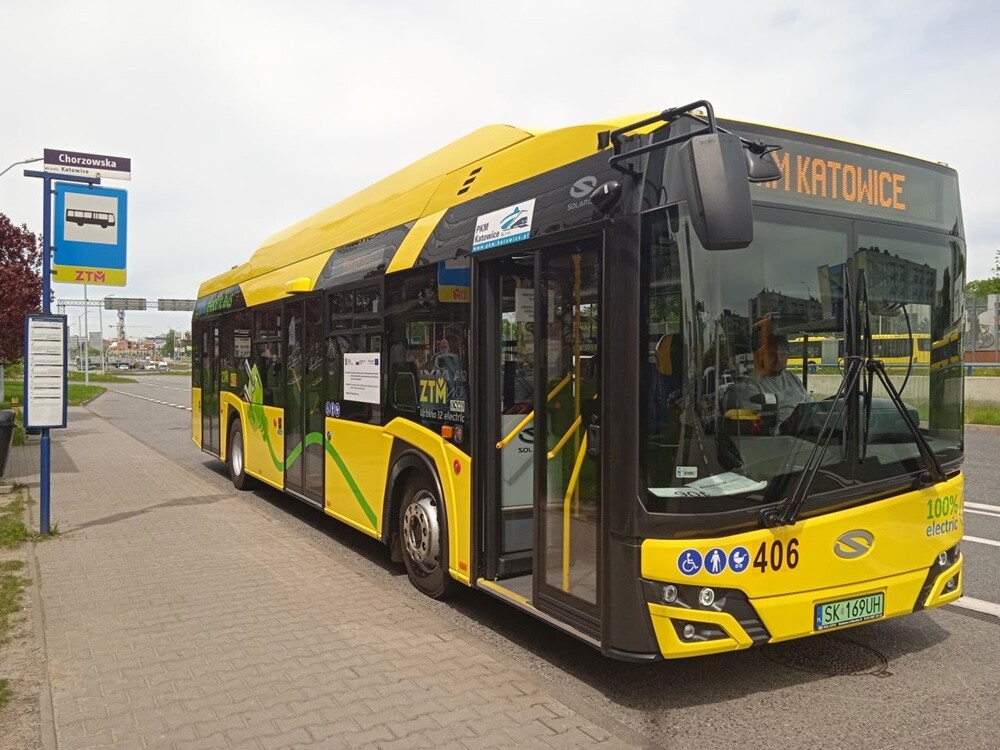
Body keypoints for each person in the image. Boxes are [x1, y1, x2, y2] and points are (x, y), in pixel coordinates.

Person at [755, 333, 809, 424]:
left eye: (783, 355)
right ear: (762, 356)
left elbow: (810, 406)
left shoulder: (792, 377)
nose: (778, 360)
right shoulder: (754, 383)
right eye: (772, 355)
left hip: (804, 426)